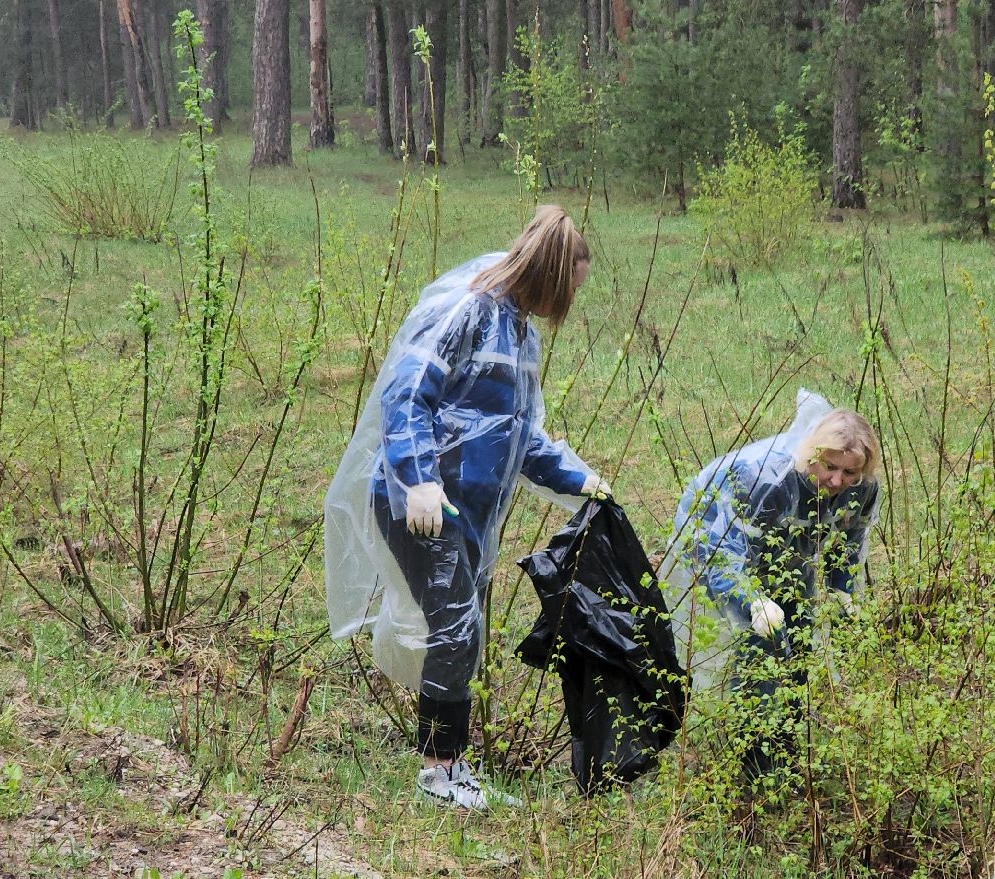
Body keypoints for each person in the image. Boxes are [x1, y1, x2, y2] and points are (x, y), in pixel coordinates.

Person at [324, 205, 610, 811]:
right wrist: (419, 480)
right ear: (550, 275)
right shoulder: (469, 311)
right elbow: (406, 393)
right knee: (455, 625)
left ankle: (452, 765)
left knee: (461, 629)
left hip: (464, 511)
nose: (568, 303)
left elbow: (520, 435)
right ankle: (439, 774)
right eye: (570, 289)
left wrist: (580, 480)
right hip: (422, 503)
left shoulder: (520, 332)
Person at [664, 391, 881, 781]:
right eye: (830, 467)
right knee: (762, 644)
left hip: (785, 542)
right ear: (813, 454)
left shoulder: (861, 488)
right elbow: (723, 552)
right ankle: (755, 763)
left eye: (849, 473)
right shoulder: (766, 480)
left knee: (798, 635)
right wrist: (753, 600)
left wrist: (842, 590)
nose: (837, 480)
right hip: (714, 534)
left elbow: (848, 542)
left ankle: (786, 743)